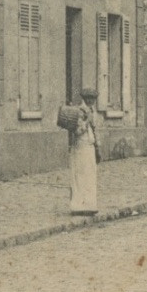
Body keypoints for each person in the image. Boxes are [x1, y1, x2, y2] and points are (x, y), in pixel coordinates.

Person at [56, 87, 99, 215]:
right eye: (89, 98)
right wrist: (86, 122)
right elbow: (77, 131)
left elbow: (95, 130)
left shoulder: (92, 111)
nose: (91, 101)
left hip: (90, 147)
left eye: (93, 99)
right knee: (80, 176)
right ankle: (78, 206)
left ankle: (90, 205)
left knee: (90, 176)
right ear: (85, 99)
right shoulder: (80, 111)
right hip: (80, 147)